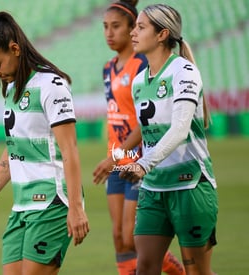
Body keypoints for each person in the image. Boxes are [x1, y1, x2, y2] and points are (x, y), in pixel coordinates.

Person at [0, 11, 89, 275]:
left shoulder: (51, 85)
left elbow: (70, 150)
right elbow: (14, 148)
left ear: (14, 49)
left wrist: (76, 208)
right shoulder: (12, 89)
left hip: (52, 203)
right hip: (22, 206)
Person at [120, 4, 218, 275]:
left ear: (162, 34)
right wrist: (130, 162)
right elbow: (150, 136)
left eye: (141, 27)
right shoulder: (138, 82)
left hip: (191, 186)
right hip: (153, 188)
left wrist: (143, 164)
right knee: (146, 268)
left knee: (197, 272)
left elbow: (179, 130)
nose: (133, 33)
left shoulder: (183, 71)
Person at [92, 2, 185, 275]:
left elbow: (145, 123)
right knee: (120, 239)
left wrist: (115, 156)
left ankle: (182, 272)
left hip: (138, 160)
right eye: (105, 27)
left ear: (133, 28)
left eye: (116, 26)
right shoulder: (108, 68)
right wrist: (114, 156)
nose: (109, 33)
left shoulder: (141, 65)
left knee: (133, 235)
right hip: (118, 159)